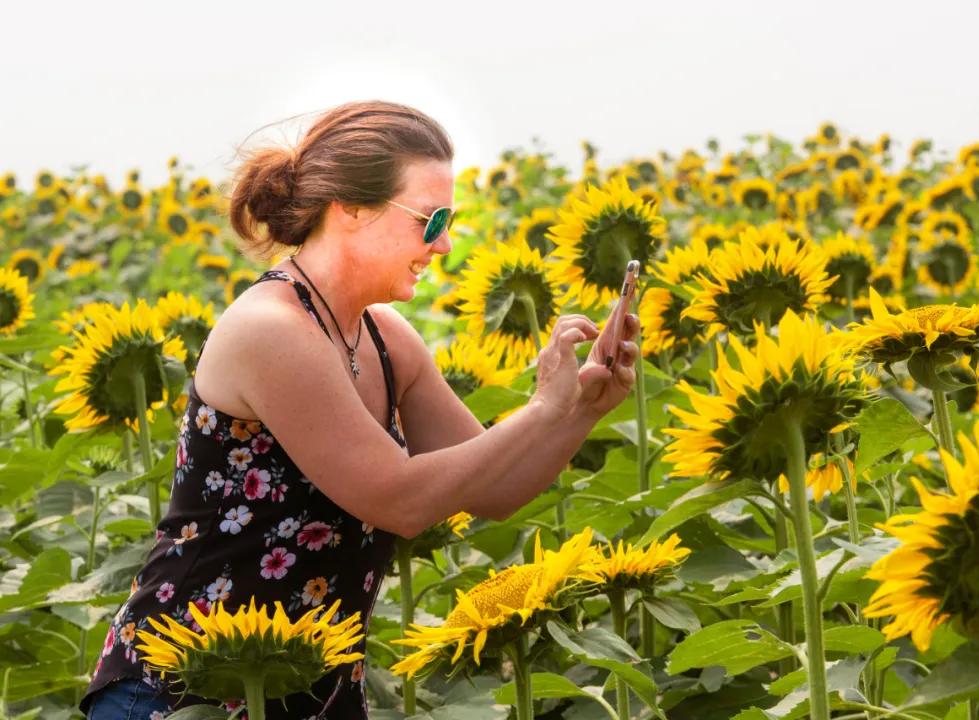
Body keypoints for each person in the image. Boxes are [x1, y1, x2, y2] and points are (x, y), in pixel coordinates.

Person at [79, 100, 640, 719]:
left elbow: (495, 489)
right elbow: (399, 500)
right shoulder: (273, 329)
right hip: (185, 692)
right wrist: (541, 408)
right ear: (351, 208)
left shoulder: (384, 337)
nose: (445, 243)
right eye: (430, 220)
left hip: (310, 692)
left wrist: (581, 407)